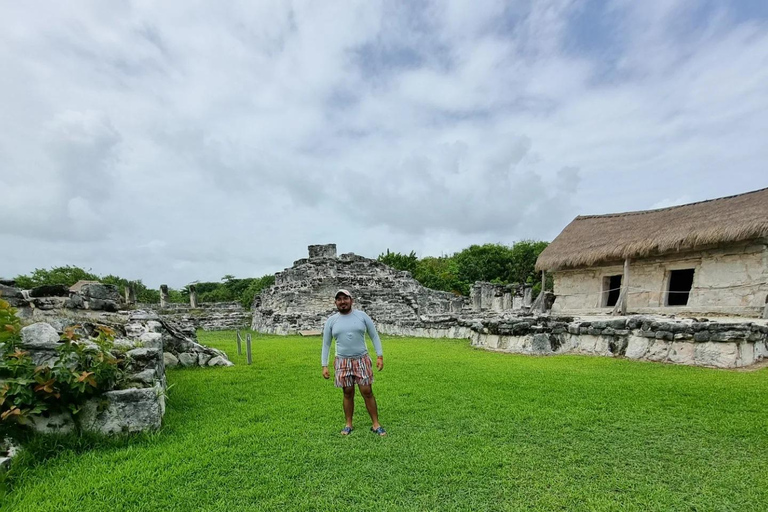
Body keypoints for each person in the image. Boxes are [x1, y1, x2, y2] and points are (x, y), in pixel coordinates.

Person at [322, 289, 386, 436]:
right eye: (339, 299)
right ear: (335, 302)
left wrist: (379, 356)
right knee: (347, 392)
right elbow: (326, 344)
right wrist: (324, 365)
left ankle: (376, 424)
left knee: (367, 391)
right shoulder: (332, 321)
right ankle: (348, 424)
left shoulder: (362, 316)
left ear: (351, 300)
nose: (342, 302)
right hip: (342, 361)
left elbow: (374, 336)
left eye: (345, 298)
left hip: (361, 359)